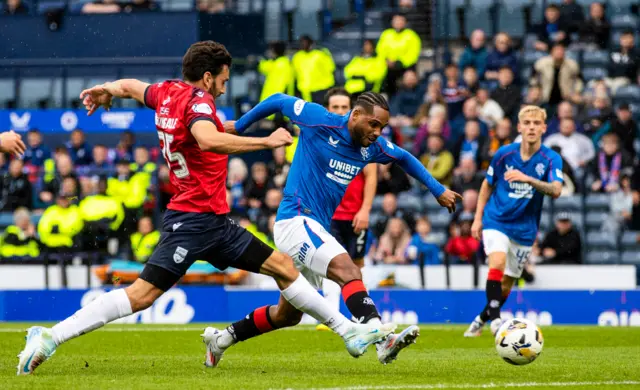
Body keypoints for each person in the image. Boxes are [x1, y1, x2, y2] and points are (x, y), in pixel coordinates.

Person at [17, 41, 393, 376]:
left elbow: (132, 87)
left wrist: (105, 90)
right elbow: (209, 140)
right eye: (224, 80)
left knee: (282, 266)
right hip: (193, 221)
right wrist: (266, 142)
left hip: (213, 222)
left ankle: (350, 333)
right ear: (208, 77)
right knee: (141, 295)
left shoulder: (167, 92)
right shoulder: (198, 102)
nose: (227, 86)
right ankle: (50, 335)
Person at [222, 91, 461, 365]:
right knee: (349, 270)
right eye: (373, 124)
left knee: (286, 315)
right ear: (355, 115)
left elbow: (404, 157)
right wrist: (241, 125)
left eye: (382, 127)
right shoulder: (318, 120)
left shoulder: (372, 147)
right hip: (295, 220)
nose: (377, 132)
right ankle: (381, 339)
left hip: (314, 228)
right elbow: (278, 99)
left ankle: (223, 338)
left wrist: (438, 189)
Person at [464, 105, 563, 338]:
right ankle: (497, 320)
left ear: (543, 128)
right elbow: (487, 184)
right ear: (519, 127)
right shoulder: (504, 154)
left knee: (507, 283)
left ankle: (482, 317)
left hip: (525, 230)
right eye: (527, 123)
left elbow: (556, 190)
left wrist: (528, 179)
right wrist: (478, 218)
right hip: (496, 219)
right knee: (496, 262)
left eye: (536, 123)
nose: (531, 127)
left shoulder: (550, 159)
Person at [318, 88, 377, 331]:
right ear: (327, 110)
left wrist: (365, 210)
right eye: (336, 107)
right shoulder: (320, 138)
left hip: (355, 216)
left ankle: (360, 315)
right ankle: (331, 313)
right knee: (331, 263)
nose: (341, 112)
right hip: (329, 215)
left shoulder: (362, 140)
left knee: (357, 264)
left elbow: (371, 176)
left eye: (345, 107)